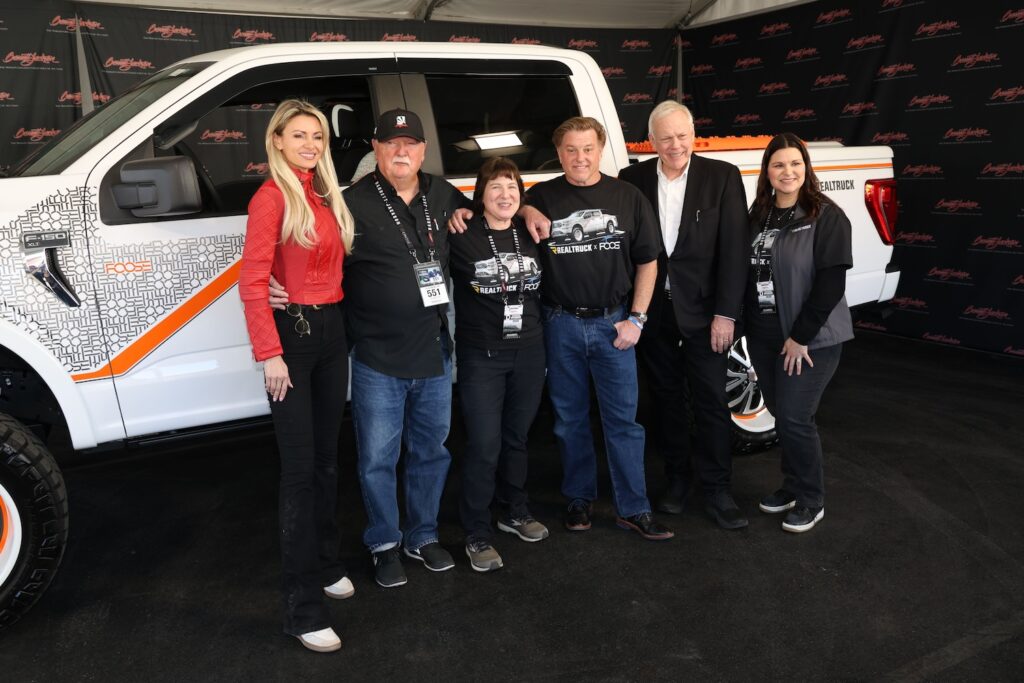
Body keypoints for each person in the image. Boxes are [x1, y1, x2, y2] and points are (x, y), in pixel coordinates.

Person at [270, 108, 468, 587]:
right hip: (377, 357)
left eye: (411, 144)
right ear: (375, 149)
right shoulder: (348, 203)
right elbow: (313, 257)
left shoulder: (443, 194)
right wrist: (283, 285)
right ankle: (383, 542)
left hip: (435, 354)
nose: (402, 152)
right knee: (378, 458)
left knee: (431, 452)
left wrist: (521, 208)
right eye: (391, 143)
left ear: (423, 150)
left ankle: (422, 535)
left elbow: (489, 211)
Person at [238, 99, 355, 653]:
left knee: (330, 460)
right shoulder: (270, 197)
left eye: (318, 136)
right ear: (277, 140)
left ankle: (326, 562)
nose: (310, 143)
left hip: (331, 332)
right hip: (292, 343)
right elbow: (252, 281)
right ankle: (302, 608)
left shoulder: (322, 193)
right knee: (300, 473)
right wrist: (270, 353)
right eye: (299, 135)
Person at [526, 117, 672, 540]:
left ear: (601, 148)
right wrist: (525, 206)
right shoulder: (543, 196)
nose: (580, 158)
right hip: (560, 324)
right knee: (568, 419)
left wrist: (637, 320)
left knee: (623, 421)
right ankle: (578, 499)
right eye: (570, 149)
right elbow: (500, 204)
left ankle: (634, 507)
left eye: (587, 148)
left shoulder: (627, 197)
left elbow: (648, 261)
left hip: (615, 325)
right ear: (559, 153)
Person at [618, 101, 750, 530]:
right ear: (651, 141)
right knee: (666, 400)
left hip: (708, 315)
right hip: (653, 312)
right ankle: (677, 480)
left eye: (681, 136)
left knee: (711, 401)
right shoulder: (632, 179)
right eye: (665, 138)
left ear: (693, 135)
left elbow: (735, 252)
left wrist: (726, 314)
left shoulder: (723, 177)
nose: (675, 145)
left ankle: (718, 489)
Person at [744, 132, 854, 533]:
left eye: (794, 163)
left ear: (805, 167)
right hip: (763, 335)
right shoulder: (759, 214)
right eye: (778, 165)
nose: (787, 172)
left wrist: (800, 336)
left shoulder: (825, 216)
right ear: (767, 172)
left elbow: (831, 285)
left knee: (794, 416)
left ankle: (811, 498)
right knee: (780, 414)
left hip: (809, 339)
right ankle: (791, 486)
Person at [448, 157, 548, 572]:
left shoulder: (531, 231)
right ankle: (476, 532)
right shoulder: (462, 235)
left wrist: (527, 209)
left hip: (529, 352)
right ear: (480, 195)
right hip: (481, 357)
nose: (505, 196)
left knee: (517, 439)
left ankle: (515, 511)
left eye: (512, 188)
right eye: (495, 188)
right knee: (485, 446)